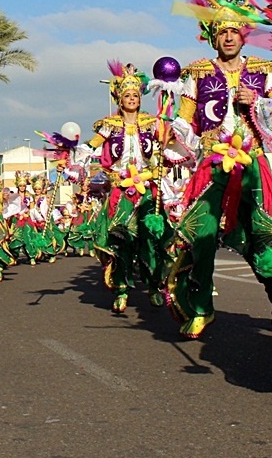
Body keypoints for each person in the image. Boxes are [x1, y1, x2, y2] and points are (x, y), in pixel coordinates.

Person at [163, 0, 272, 338]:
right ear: (212, 37)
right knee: (202, 235)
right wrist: (174, 137)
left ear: (243, 34)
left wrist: (259, 102)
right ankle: (202, 305)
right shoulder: (198, 73)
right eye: (222, 31)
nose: (229, 36)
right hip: (213, 164)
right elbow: (185, 120)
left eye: (234, 30)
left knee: (264, 234)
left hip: (253, 165)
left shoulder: (265, 72)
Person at [83, 61, 193, 313]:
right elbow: (94, 144)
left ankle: (154, 285)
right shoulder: (109, 125)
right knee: (121, 241)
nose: (132, 99)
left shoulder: (151, 123)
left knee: (151, 240)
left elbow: (168, 141)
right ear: (119, 99)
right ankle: (121, 289)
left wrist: (170, 134)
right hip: (121, 190)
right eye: (127, 95)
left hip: (147, 188)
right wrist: (75, 159)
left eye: (135, 95)